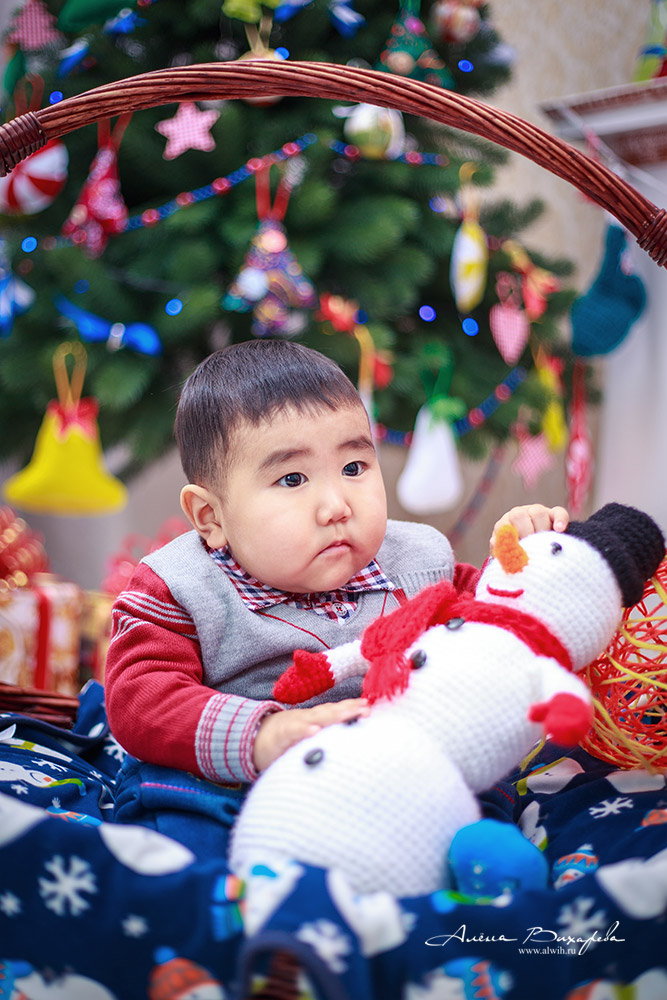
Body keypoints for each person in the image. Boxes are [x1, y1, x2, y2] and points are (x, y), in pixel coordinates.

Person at [105, 339, 568, 853]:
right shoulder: (181, 587)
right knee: (173, 802)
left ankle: (466, 876)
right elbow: (138, 697)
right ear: (211, 518)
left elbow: (495, 625)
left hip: (401, 777)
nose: (336, 506)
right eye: (292, 478)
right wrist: (261, 737)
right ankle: (231, 898)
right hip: (249, 785)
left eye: (354, 468)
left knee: (483, 793)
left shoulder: (418, 562)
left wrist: (520, 560)